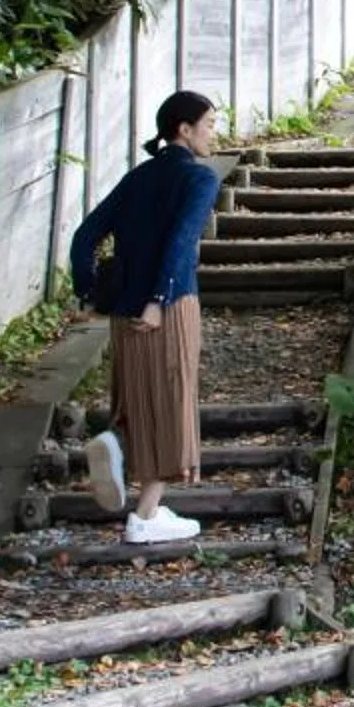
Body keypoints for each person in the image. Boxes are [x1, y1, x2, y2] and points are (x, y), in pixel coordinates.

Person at [68, 92, 223, 544]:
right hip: (170, 307)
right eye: (209, 124)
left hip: (123, 309)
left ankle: (115, 445)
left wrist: (90, 293)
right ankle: (146, 515)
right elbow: (180, 242)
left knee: (137, 396)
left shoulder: (137, 177)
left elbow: (84, 237)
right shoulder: (199, 180)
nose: (214, 133)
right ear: (184, 129)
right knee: (173, 400)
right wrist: (159, 299)